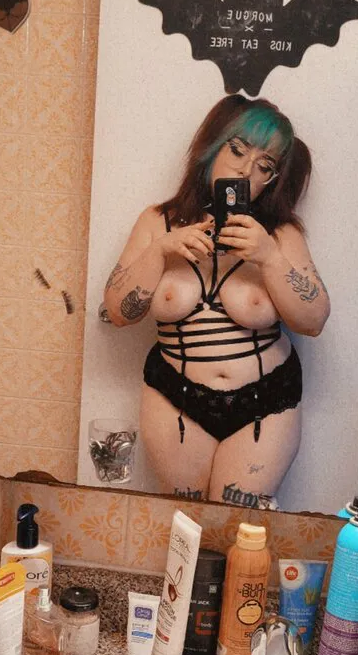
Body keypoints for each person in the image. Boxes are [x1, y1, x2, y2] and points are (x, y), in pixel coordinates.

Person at [103, 95, 330, 508]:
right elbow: (119, 313)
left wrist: (270, 258)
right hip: (174, 400)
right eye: (238, 150)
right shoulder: (157, 222)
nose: (246, 170)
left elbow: (313, 321)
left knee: (238, 528)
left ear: (272, 180)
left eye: (264, 166)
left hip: (264, 405)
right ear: (211, 147)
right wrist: (159, 252)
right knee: (185, 525)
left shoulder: (280, 235)